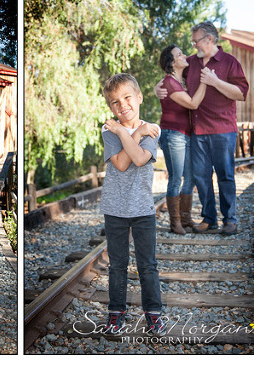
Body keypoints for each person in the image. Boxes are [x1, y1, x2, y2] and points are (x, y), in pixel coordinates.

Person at [155, 22, 249, 235]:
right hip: (197, 130)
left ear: (209, 39)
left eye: (195, 40)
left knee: (225, 176)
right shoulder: (191, 63)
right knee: (202, 178)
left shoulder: (229, 62)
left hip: (223, 129)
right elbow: (170, 75)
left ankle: (230, 220)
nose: (193, 44)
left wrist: (215, 82)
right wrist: (156, 89)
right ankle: (209, 219)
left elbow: (241, 94)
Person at [99, 73, 165, 336]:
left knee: (147, 265)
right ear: (110, 107)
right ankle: (117, 313)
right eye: (114, 102)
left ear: (139, 97)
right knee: (117, 264)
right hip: (114, 208)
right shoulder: (109, 131)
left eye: (127, 97)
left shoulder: (151, 129)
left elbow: (137, 159)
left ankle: (154, 314)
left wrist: (132, 132)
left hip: (143, 210)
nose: (122, 105)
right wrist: (131, 132)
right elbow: (120, 164)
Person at [157, 45, 209, 234]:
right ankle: (175, 222)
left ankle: (186, 218)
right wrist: (206, 81)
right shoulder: (170, 83)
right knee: (176, 179)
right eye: (179, 55)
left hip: (186, 135)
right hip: (173, 134)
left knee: (191, 177)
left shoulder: (182, 80)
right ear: (172, 63)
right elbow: (193, 104)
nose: (184, 55)